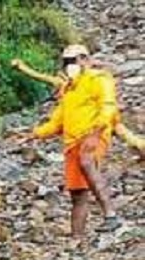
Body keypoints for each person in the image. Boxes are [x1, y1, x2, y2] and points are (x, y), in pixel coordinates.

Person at [22, 44, 121, 238]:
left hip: (94, 134)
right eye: (66, 62)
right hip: (72, 143)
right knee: (77, 194)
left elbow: (108, 107)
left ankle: (111, 215)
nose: (70, 65)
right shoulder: (68, 89)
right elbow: (56, 122)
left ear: (85, 59)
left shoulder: (98, 79)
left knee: (87, 161)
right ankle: (77, 239)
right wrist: (33, 134)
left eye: (73, 60)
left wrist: (95, 133)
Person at [10, 57, 145, 160]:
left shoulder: (89, 80)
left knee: (119, 132)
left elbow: (40, 77)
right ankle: (140, 148)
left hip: (95, 117)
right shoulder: (67, 83)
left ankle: (140, 147)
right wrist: (22, 67)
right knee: (122, 132)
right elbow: (41, 77)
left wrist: (22, 67)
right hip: (96, 115)